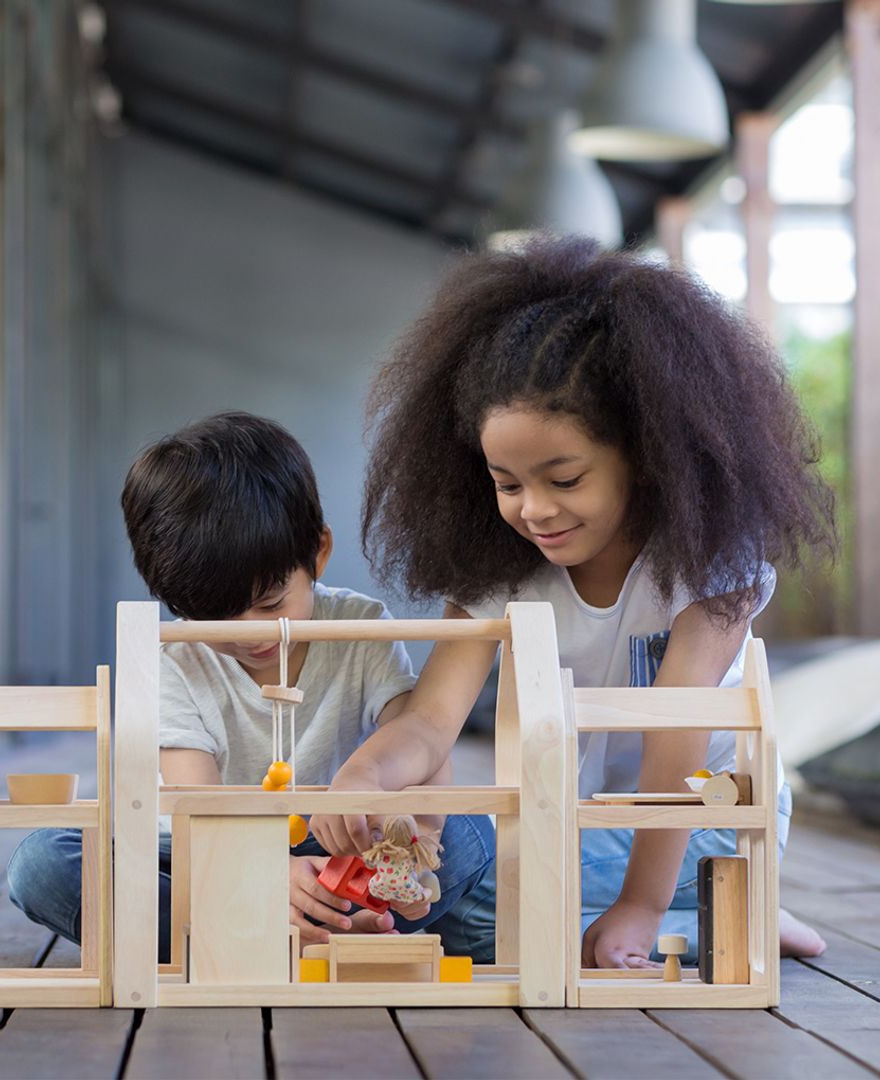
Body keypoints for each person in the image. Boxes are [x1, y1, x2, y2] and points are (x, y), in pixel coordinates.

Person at [309, 235, 833, 967]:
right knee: (460, 879)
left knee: (479, 901)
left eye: (564, 478)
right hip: (573, 822)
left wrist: (639, 906)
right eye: (507, 482)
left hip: (707, 819)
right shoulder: (498, 568)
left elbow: (675, 735)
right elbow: (431, 720)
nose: (535, 510)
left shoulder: (709, 563)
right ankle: (723, 910)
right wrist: (362, 775)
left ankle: (719, 893)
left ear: (649, 456)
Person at [7, 412, 496, 960]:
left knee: (469, 832)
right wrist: (264, 878)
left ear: (318, 553)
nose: (251, 634)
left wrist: (417, 842)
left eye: (270, 603)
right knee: (42, 862)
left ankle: (302, 937)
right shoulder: (174, 656)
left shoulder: (361, 626)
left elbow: (422, 744)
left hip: (335, 853)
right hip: (202, 852)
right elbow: (197, 803)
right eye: (215, 615)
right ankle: (291, 940)